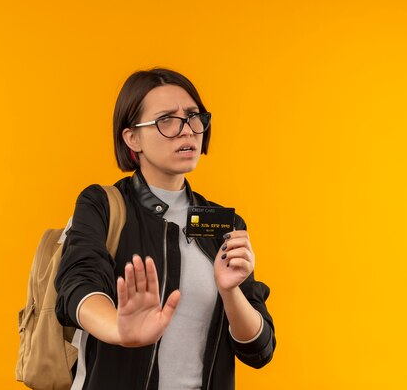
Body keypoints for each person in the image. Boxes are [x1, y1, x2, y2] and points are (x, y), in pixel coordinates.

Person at [55, 68, 275, 390]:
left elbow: (258, 349)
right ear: (132, 138)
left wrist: (229, 291)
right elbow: (77, 285)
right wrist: (119, 329)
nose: (187, 131)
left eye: (193, 117)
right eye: (166, 120)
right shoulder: (102, 205)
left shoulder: (222, 224)